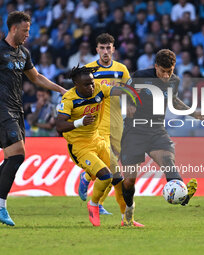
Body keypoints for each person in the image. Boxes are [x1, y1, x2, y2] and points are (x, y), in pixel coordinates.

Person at [0, 11, 66, 227]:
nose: (28, 35)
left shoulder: (23, 53)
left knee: (11, 159)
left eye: (29, 31)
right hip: (1, 110)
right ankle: (0, 206)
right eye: (25, 30)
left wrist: (60, 89)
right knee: (18, 156)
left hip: (17, 110)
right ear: (14, 29)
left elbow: (37, 77)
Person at [120, 49, 204, 226]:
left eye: (170, 71)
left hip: (156, 131)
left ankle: (182, 196)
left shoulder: (174, 81)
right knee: (129, 180)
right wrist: (129, 104)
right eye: (163, 71)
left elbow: (174, 101)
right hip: (134, 131)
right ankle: (128, 212)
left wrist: (194, 113)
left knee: (168, 161)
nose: (167, 75)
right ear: (155, 67)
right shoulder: (140, 76)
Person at [56, 65, 142, 227]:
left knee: (118, 180)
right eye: (87, 84)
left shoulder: (99, 89)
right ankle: (94, 204)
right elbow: (59, 126)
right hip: (80, 147)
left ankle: (127, 220)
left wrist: (134, 93)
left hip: (98, 141)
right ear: (76, 84)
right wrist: (80, 122)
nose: (91, 86)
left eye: (92, 82)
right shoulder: (69, 99)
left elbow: (118, 90)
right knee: (105, 176)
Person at [78, 33, 130, 217]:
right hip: (97, 126)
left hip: (117, 125)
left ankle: (97, 199)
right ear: (97, 50)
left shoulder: (122, 69)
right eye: (102, 48)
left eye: (109, 48)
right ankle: (89, 184)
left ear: (113, 49)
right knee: (112, 167)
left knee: (113, 166)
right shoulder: (88, 70)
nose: (106, 51)